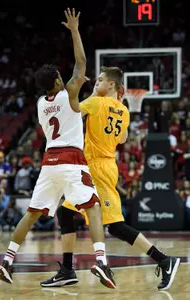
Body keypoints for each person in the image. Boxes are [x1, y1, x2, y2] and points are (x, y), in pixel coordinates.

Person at [0, 8, 115, 290]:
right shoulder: (69, 91)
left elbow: (64, 103)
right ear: (60, 81)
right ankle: (102, 261)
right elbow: (82, 61)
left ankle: (8, 260)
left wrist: (74, 89)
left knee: (33, 213)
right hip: (72, 159)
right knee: (93, 208)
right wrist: (74, 30)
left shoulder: (40, 103)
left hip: (49, 162)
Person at [41, 66, 180, 291]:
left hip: (98, 168)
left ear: (112, 85)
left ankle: (164, 260)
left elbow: (73, 109)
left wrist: (80, 88)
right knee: (65, 212)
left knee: (115, 226)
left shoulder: (97, 102)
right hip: (101, 166)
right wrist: (115, 106)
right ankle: (67, 270)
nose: (96, 83)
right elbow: (123, 138)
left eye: (100, 80)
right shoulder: (124, 110)